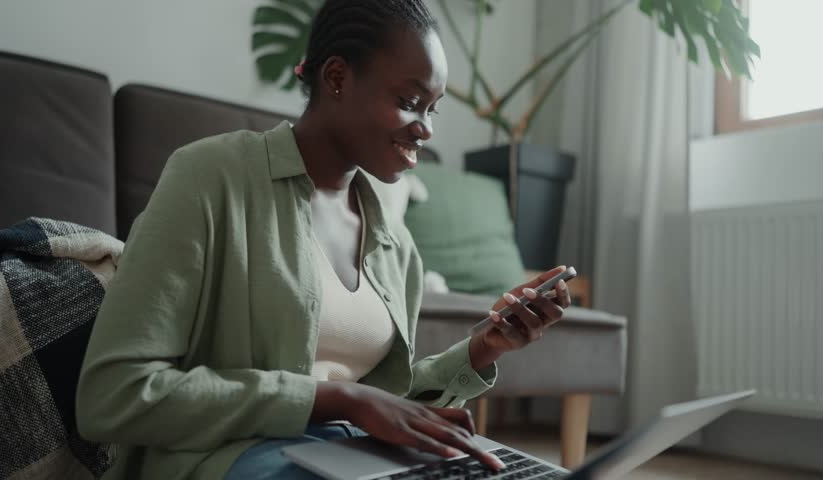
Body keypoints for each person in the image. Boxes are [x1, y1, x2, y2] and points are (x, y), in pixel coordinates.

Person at [75, 0, 572, 479]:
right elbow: (113, 395)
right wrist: (334, 400)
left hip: (352, 457)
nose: (424, 129)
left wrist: (482, 349)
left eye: (432, 109)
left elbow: (380, 402)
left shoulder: (396, 246)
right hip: (225, 460)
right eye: (408, 103)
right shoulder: (211, 177)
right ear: (336, 78)